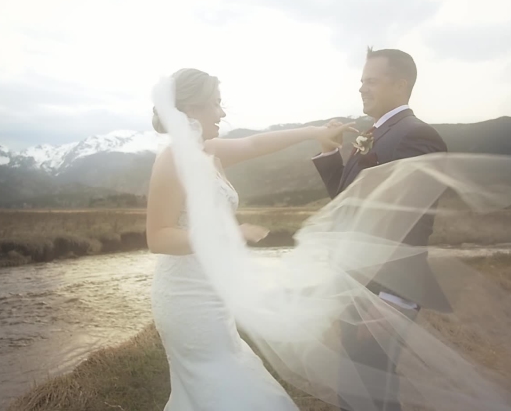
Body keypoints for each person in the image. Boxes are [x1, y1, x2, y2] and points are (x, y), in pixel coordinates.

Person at [146, 67, 353, 410]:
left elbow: (257, 143)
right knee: (219, 380)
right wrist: (226, 233)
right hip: (187, 296)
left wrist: (315, 132)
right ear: (192, 109)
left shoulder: (208, 151)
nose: (222, 113)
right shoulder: (173, 159)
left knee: (217, 383)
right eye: (216, 103)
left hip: (213, 290)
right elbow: (158, 237)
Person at [312, 47, 451, 410]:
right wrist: (330, 154)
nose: (362, 88)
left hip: (383, 291)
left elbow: (413, 219)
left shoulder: (415, 135)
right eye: (362, 81)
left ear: (401, 84)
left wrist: (394, 298)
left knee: (368, 393)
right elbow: (349, 205)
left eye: (371, 81)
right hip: (359, 282)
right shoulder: (378, 133)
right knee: (361, 391)